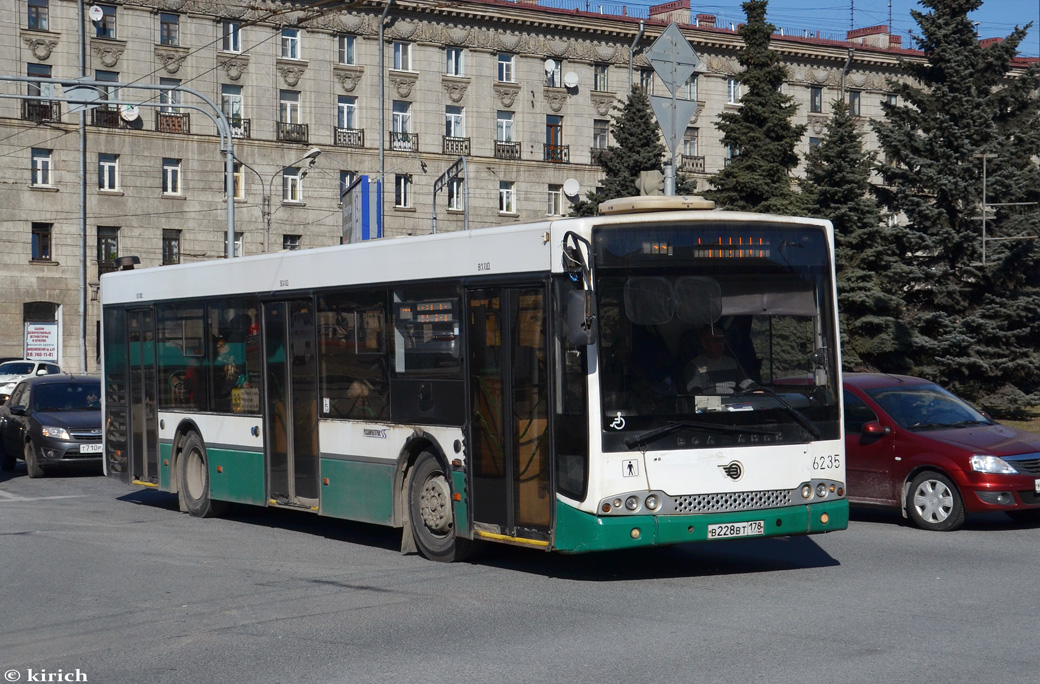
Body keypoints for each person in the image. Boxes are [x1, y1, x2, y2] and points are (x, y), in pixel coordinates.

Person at [684, 325, 755, 395]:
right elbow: (695, 390)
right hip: (710, 404)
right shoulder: (695, 365)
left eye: (722, 340)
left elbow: (745, 381)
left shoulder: (731, 362)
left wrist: (756, 389)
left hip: (733, 402)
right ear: (704, 343)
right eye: (716, 340)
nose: (720, 344)